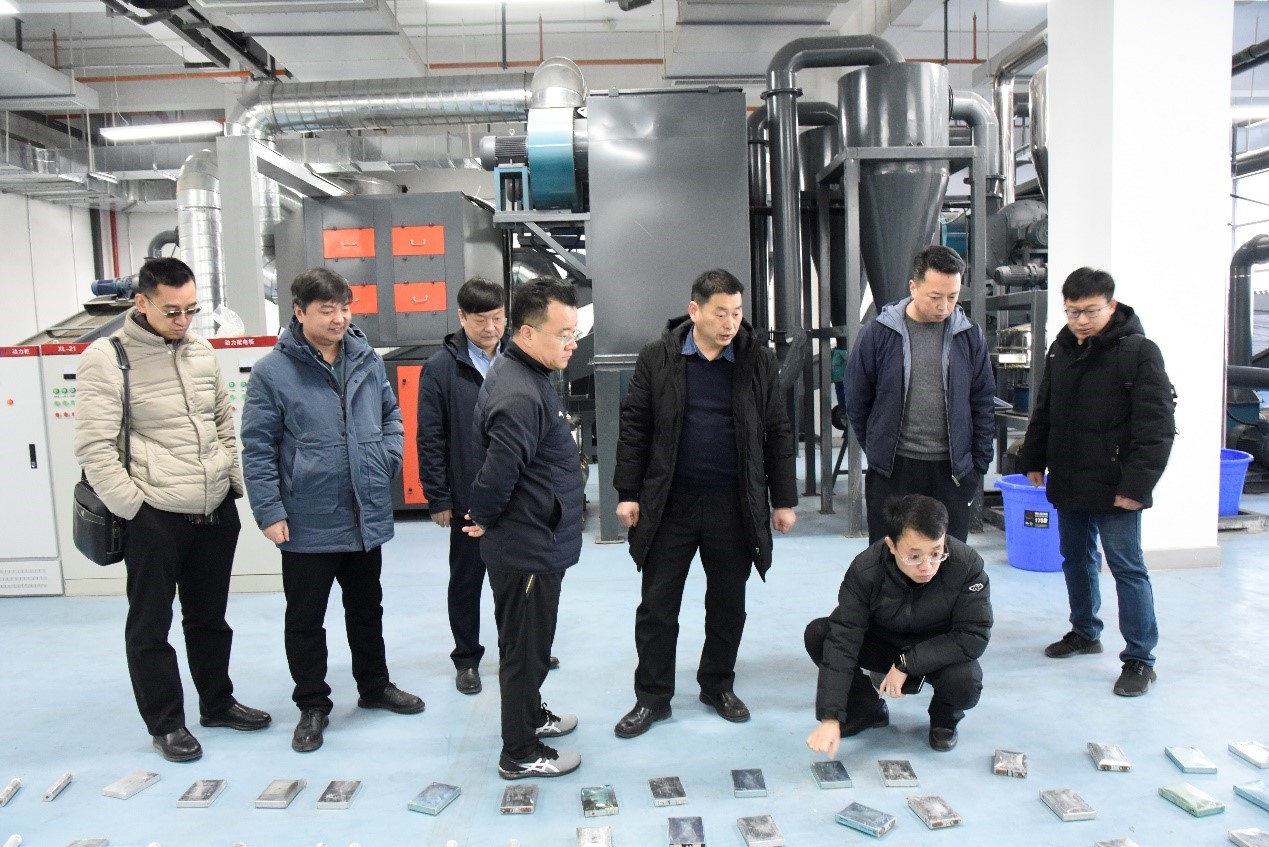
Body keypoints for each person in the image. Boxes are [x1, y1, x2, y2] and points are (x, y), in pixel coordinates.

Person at [74, 256, 270, 763]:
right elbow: (95, 447)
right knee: (150, 625)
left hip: (214, 509)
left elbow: (222, 421)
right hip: (154, 512)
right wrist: (134, 509)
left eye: (191, 309)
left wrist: (230, 479)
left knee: (210, 619)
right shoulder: (107, 357)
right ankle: (166, 724)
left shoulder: (201, 350)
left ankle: (218, 703)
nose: (183, 321)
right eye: (172, 311)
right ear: (142, 303)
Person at [241, 268, 424, 754]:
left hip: (363, 511)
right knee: (306, 619)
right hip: (307, 516)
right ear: (299, 312)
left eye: (345, 308)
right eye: (327, 310)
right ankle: (312, 705)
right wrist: (269, 511)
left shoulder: (366, 359)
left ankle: (374, 685)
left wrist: (386, 457)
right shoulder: (272, 373)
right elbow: (257, 448)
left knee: (366, 608)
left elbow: (391, 416)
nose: (339, 318)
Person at [611, 268, 797, 740]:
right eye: (720, 314)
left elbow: (777, 430)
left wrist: (784, 500)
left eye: (736, 313)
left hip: (733, 505)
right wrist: (628, 493)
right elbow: (635, 426)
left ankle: (718, 686)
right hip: (669, 504)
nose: (730, 323)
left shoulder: (757, 360)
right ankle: (652, 698)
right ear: (694, 311)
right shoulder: (658, 357)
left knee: (728, 605)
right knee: (657, 607)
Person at [1021, 267, 1175, 697]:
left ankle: (1140, 659)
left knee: (1127, 568)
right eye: (1072, 312)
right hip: (1070, 476)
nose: (1081, 321)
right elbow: (1044, 409)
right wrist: (1033, 457)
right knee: (1075, 559)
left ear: (1112, 305)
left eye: (1090, 311)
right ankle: (1085, 632)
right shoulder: (1060, 350)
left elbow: (1157, 427)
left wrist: (1136, 487)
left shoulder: (1139, 352)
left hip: (1116, 483)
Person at [463, 278, 583, 779]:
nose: (571, 344)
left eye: (574, 333)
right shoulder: (518, 391)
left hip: (535, 537)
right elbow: (498, 472)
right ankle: (519, 752)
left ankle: (531, 716)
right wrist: (484, 517)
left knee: (531, 642)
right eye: (563, 335)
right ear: (529, 334)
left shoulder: (525, 373)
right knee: (524, 650)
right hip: (528, 545)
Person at [805, 494, 991, 755]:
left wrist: (908, 663)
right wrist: (831, 717)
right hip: (884, 643)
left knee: (965, 681)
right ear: (891, 545)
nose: (927, 566)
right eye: (914, 556)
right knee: (820, 635)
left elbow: (973, 634)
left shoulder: (967, 565)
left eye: (936, 553)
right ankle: (867, 709)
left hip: (937, 650)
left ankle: (944, 719)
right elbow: (843, 638)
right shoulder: (866, 570)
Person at [844, 245, 996, 543]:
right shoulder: (878, 333)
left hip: (952, 473)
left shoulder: (969, 336)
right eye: (935, 296)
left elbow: (983, 402)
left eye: (952, 297)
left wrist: (977, 466)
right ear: (913, 287)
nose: (944, 306)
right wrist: (877, 448)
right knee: (889, 556)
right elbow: (857, 399)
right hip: (894, 470)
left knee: (947, 559)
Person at [416, 276, 510, 696]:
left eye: (497, 318)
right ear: (461, 317)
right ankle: (467, 659)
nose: (491, 328)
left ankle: (518, 648)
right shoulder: (441, 367)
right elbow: (430, 436)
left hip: (517, 495)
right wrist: (438, 496)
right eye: (480, 320)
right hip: (469, 496)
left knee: (517, 579)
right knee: (468, 580)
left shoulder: (520, 358)